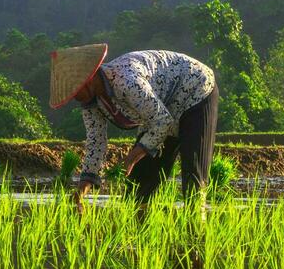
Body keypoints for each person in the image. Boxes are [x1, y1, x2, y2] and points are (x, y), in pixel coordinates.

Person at [49, 45, 218, 205]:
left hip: (195, 89)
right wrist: (82, 189)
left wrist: (130, 159)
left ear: (90, 78)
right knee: (138, 188)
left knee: (194, 179)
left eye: (76, 90)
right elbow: (96, 143)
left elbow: (162, 121)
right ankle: (140, 230)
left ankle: (198, 233)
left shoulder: (127, 81)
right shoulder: (90, 103)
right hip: (160, 111)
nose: (75, 97)